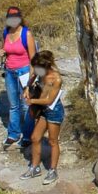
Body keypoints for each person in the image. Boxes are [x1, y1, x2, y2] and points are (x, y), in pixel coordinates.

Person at [20, 50, 64, 185]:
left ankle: (53, 170)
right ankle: (35, 167)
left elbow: (49, 100)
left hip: (53, 111)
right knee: (35, 137)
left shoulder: (56, 79)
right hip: (43, 111)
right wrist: (27, 87)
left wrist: (32, 102)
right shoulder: (40, 72)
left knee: (52, 141)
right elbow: (32, 76)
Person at [0, 6, 37, 148]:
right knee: (13, 105)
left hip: (24, 72)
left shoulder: (26, 34)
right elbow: (4, 49)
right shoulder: (6, 33)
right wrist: (1, 53)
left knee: (26, 105)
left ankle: (27, 136)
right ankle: (13, 134)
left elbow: (33, 58)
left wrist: (31, 80)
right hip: (10, 72)